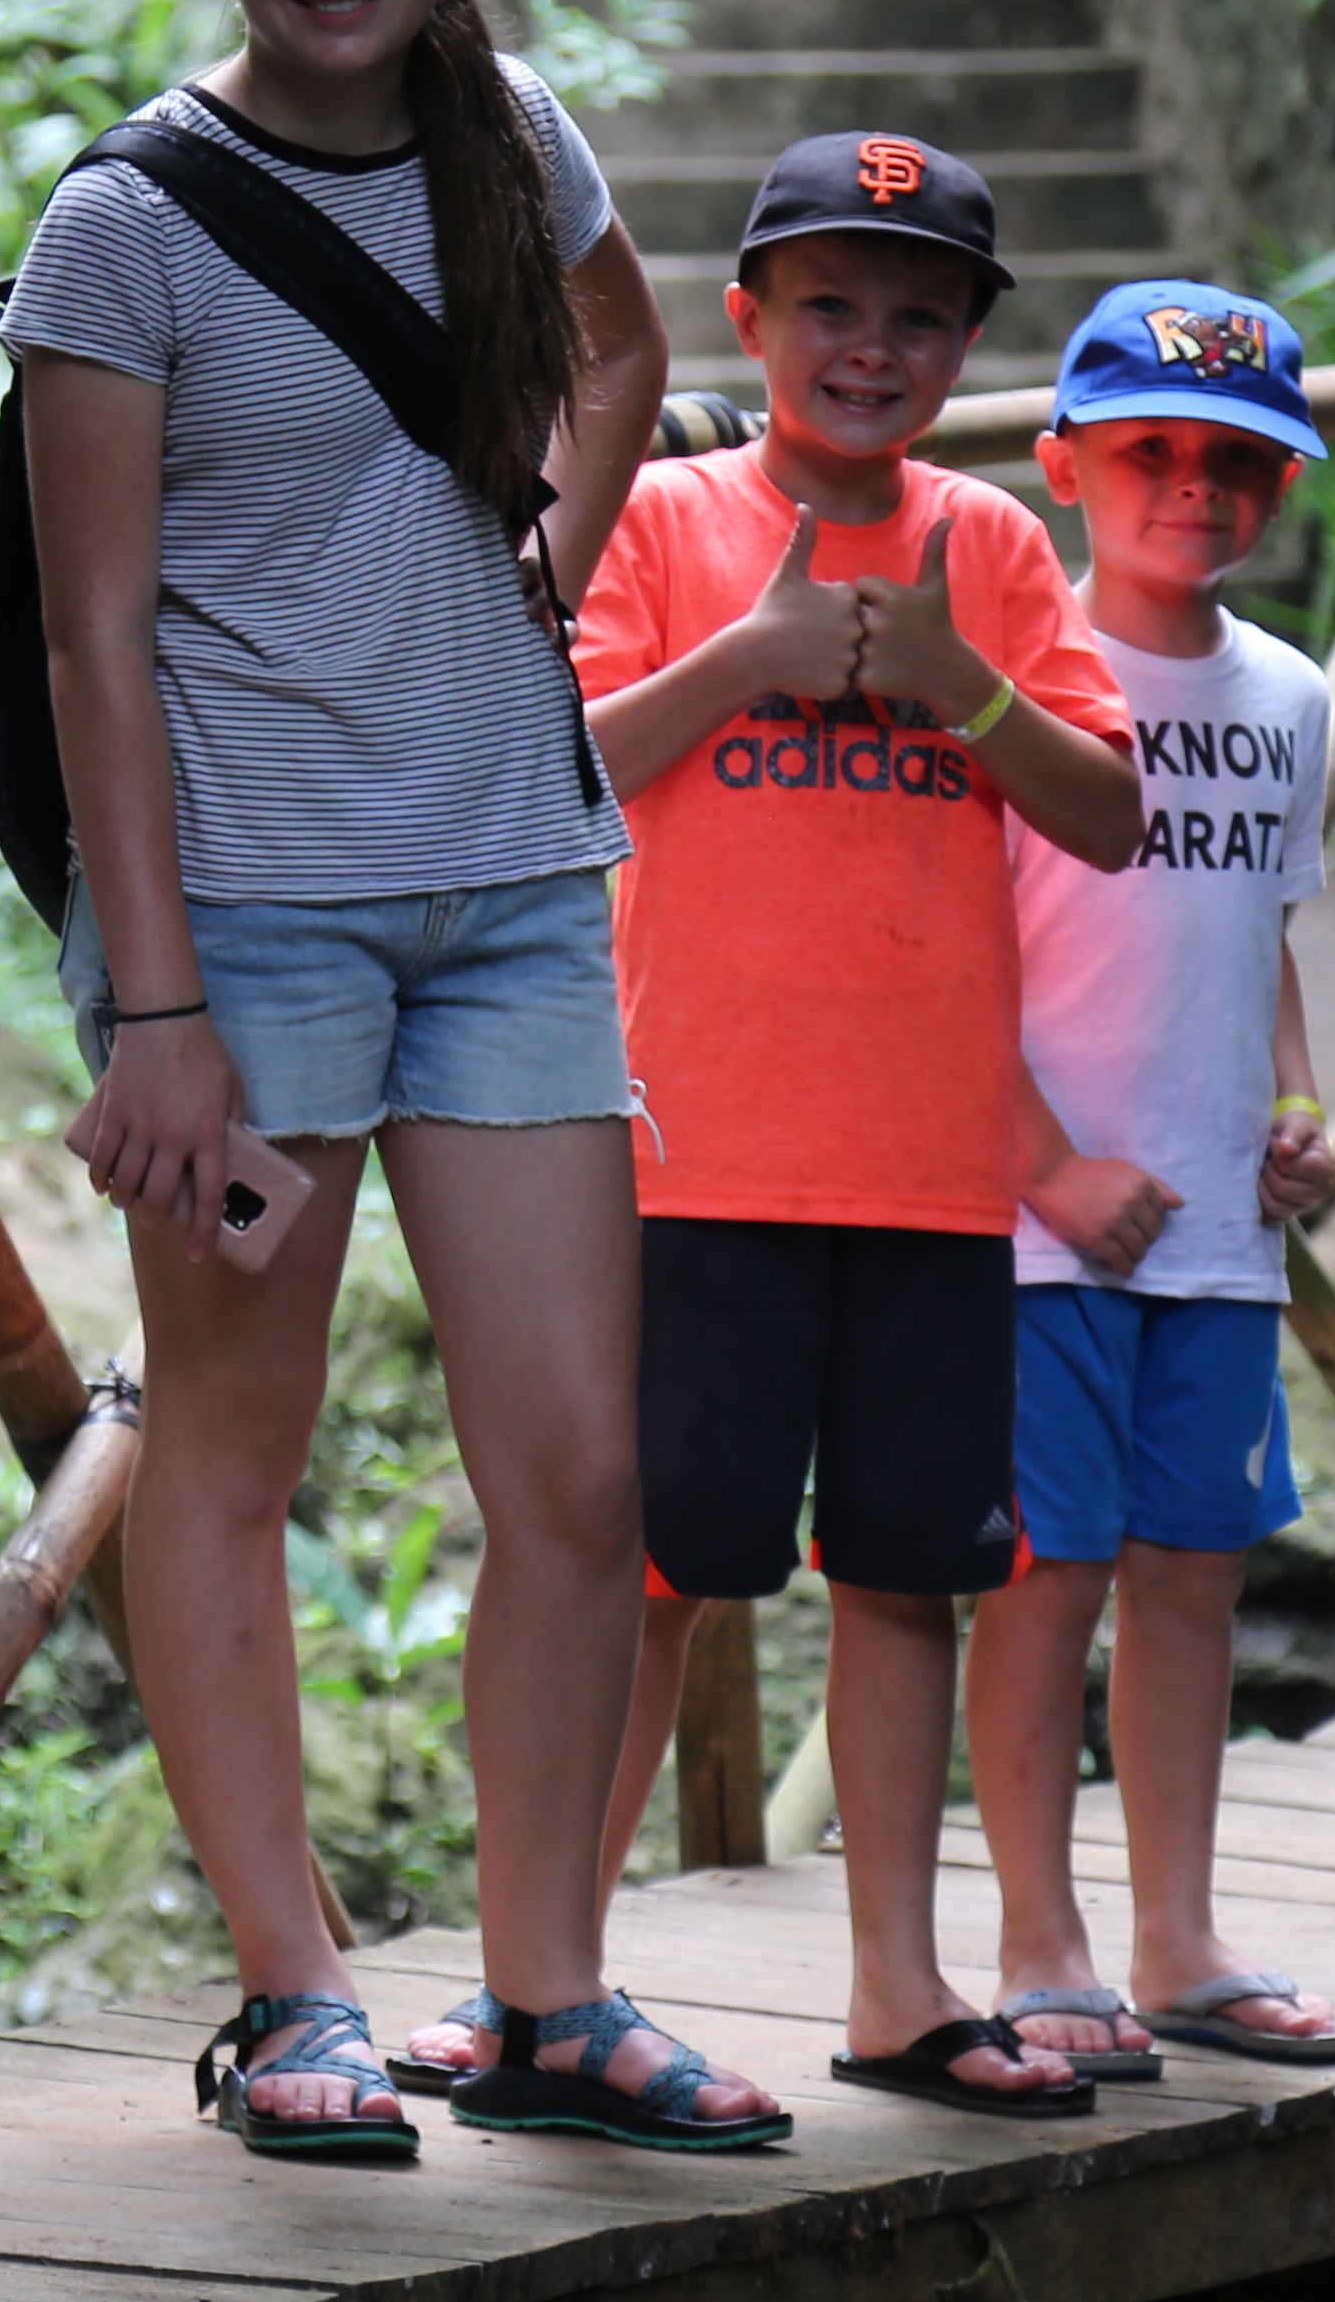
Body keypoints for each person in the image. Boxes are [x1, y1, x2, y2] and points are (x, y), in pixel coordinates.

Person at [3, 0, 776, 2159]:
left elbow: (633, 346)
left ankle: (547, 1993)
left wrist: (544, 555)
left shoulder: (511, 145)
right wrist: (153, 1010)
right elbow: (85, 634)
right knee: (235, 1452)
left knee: (577, 1470)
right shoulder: (124, 224)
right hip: (252, 919)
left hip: (518, 888)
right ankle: (294, 1991)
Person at [389, 135, 1140, 2118]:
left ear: (971, 345)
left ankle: (902, 1985)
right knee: (640, 1564)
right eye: (830, 307)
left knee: (906, 1573)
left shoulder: (991, 546)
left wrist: (964, 689)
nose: (869, 350)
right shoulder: (656, 518)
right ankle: (538, 1975)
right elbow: (556, 764)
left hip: (922, 1174)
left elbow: (1109, 810)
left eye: (915, 318)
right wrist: (759, 662)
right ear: (750, 322)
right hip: (689, 1149)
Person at [972, 278, 1335, 2077]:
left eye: (1238, 467)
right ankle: (1040, 1938)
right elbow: (937, 952)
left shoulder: (1287, 694)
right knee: (1048, 1573)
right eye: (1149, 454)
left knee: (1194, 1570)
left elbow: (1261, 930)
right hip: (1041, 1229)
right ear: (1065, 467)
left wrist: (1300, 1105)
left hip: (1218, 1229)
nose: (1193, 491)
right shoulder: (1020, 675)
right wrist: (1043, 1166)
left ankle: (1178, 1932)